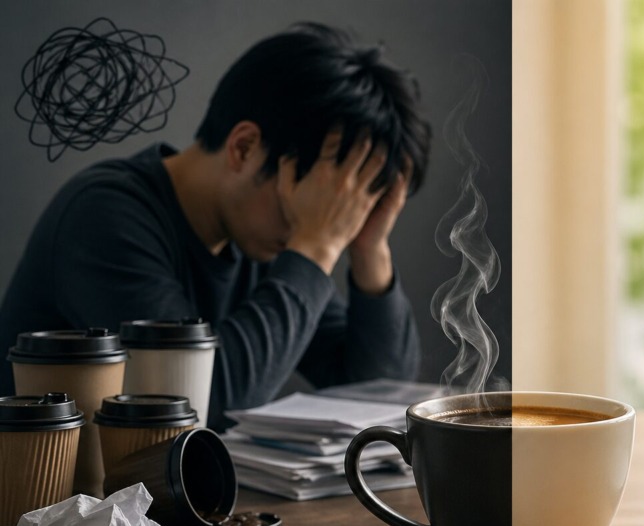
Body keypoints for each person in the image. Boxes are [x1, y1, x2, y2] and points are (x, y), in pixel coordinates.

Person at [0, 22, 431, 431]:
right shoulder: (104, 215)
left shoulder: (260, 240)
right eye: (316, 202)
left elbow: (375, 393)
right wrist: (316, 245)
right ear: (244, 148)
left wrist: (370, 250)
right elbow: (203, 406)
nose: (322, 222)